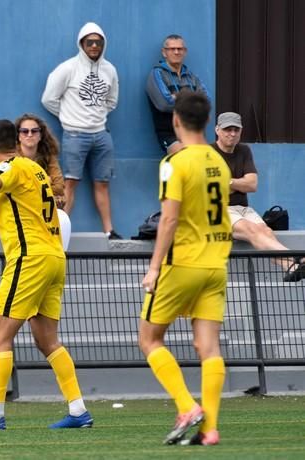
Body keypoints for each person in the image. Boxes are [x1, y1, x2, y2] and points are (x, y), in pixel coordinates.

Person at [0, 119, 92, 430]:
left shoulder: (10, 167)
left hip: (29, 259)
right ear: (15, 140)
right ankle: (79, 410)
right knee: (47, 340)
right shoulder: (35, 168)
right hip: (54, 256)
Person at [139, 91, 231, 446]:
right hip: (216, 265)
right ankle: (210, 429)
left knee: (149, 338)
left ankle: (185, 406)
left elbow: (170, 217)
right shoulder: (218, 162)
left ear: (176, 120)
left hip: (184, 263)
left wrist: (154, 267)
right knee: (208, 348)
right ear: (208, 122)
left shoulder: (174, 163)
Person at [42, 22, 121, 239]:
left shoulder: (110, 70)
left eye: (98, 42)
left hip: (101, 134)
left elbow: (112, 100)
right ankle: (60, 231)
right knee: (70, 183)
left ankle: (109, 231)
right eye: (90, 42)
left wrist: (97, 113)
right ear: (81, 44)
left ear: (103, 44)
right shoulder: (67, 68)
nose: (94, 46)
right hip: (74, 135)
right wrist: (68, 115)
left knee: (102, 183)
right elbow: (48, 98)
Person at [212, 112, 305, 282]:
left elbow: (252, 185)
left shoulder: (243, 150)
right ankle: (298, 258)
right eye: (227, 129)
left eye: (236, 129)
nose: (232, 134)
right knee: (252, 229)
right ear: (217, 130)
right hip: (218, 209)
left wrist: (229, 182)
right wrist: (239, 183)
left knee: (266, 231)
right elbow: (214, 188)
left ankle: (290, 266)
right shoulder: (209, 153)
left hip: (243, 208)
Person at [0, 113, 72, 249]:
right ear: (18, 136)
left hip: (34, 211)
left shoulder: (48, 157)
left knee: (62, 218)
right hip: (4, 214)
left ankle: (60, 259)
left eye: (34, 131)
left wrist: (34, 187)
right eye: (24, 131)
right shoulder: (11, 157)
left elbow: (59, 186)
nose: (29, 134)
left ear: (41, 135)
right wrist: (44, 182)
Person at [146, 34, 209, 155]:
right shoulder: (157, 74)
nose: (176, 52)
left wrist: (177, 97)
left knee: (205, 158)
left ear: (185, 52)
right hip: (169, 133)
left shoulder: (191, 77)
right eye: (172, 49)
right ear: (164, 52)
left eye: (180, 49)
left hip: (195, 132)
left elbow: (206, 102)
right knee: (185, 155)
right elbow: (164, 104)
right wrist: (192, 100)